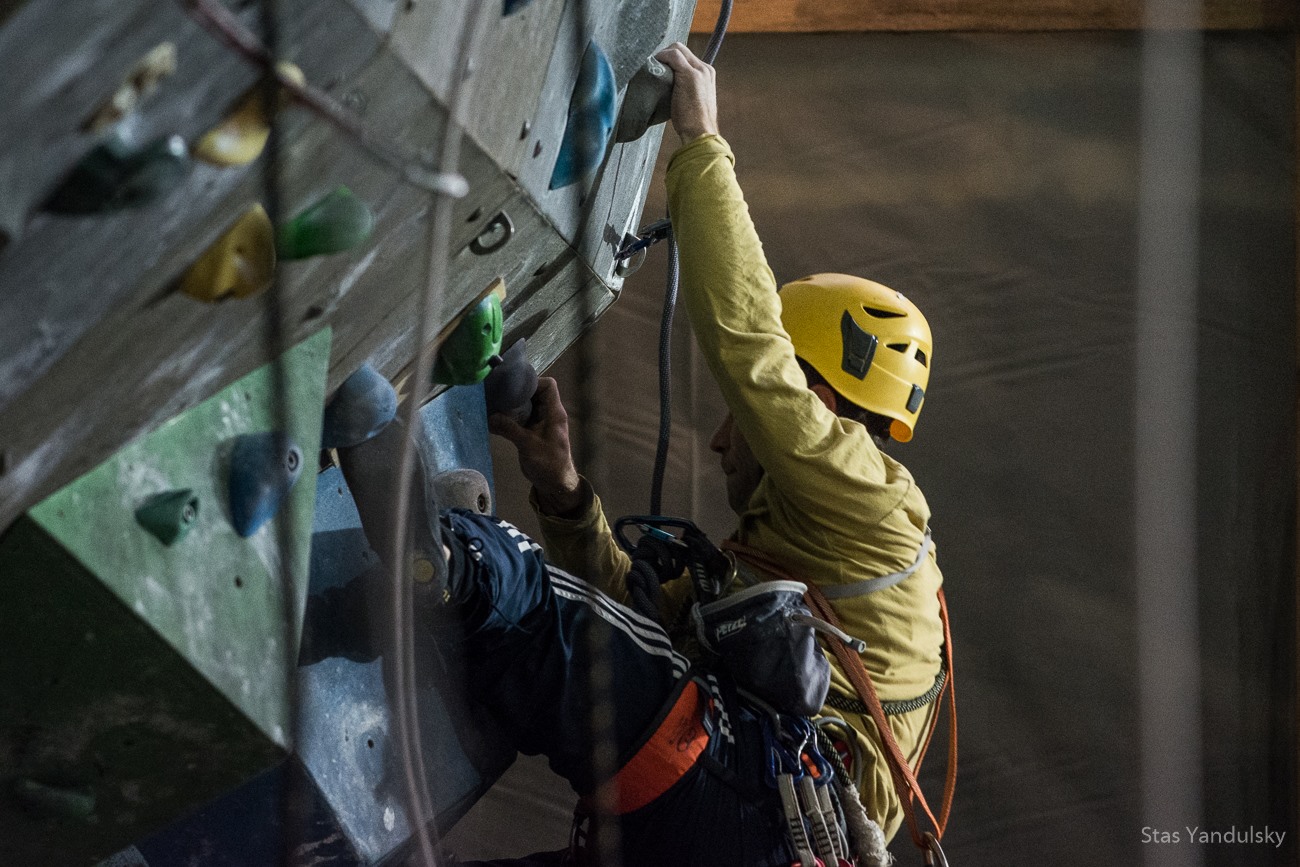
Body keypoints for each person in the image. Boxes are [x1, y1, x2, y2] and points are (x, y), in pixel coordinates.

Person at [489, 41, 949, 850]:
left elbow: (752, 353)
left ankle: (452, 565)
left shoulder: (870, 499)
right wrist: (564, 494)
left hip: (764, 811)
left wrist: (700, 145)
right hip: (743, 812)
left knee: (514, 596)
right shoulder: (799, 557)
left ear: (817, 404)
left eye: (744, 418)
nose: (716, 438)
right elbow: (642, 612)